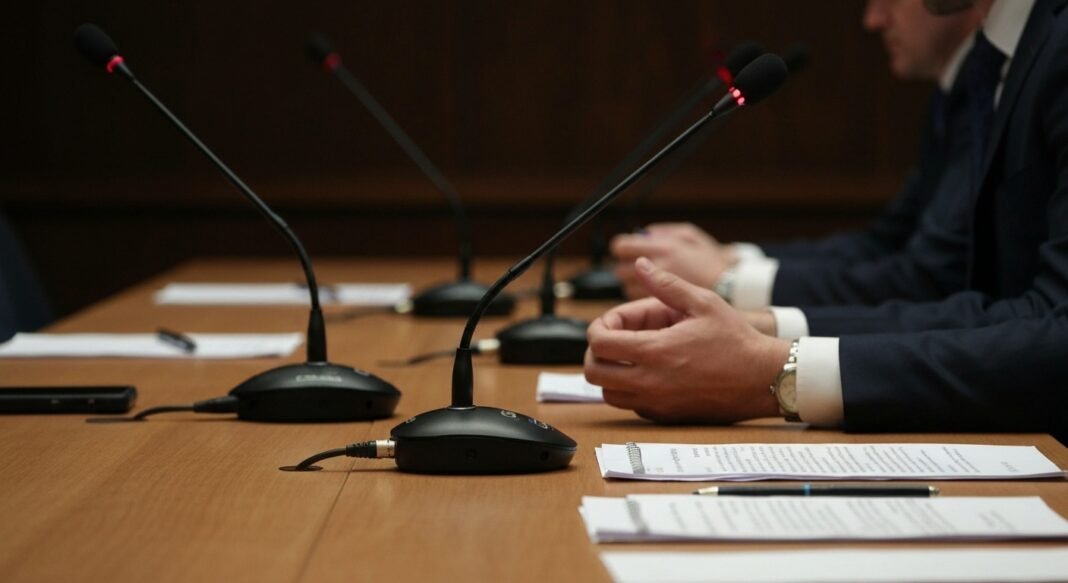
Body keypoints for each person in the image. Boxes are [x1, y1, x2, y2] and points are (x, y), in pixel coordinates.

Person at [585, 0, 1068, 441]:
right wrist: (752, 326)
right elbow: (951, 286)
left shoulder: (1041, 49)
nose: (871, 19)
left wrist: (772, 370)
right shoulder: (1008, 55)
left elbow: (971, 295)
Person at [611, 0, 988, 335]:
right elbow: (884, 244)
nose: (873, 19)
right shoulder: (953, 94)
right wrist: (730, 256)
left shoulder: (985, 97)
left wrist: (726, 280)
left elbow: (925, 281)